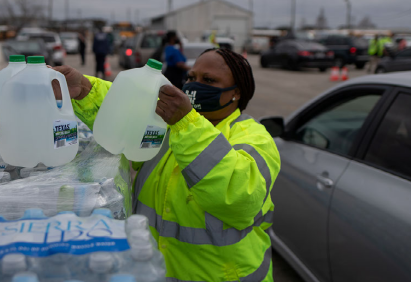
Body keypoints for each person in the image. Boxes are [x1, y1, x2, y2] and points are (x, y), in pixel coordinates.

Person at [52, 48, 280, 281]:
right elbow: (125, 107)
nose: (194, 85)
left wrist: (186, 123)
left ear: (237, 92)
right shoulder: (171, 124)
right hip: (155, 271)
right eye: (191, 77)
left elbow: (238, 197)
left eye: (209, 80)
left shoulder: (254, 137)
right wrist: (85, 90)